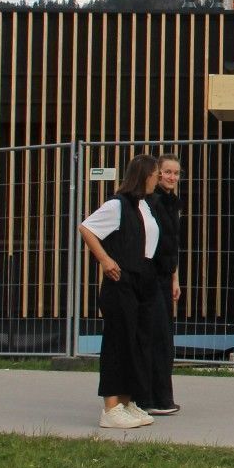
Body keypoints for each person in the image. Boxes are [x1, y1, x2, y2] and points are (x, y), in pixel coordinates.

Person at [79, 154, 161, 429]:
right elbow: (87, 228)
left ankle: (127, 402)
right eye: (156, 174)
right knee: (118, 341)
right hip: (122, 281)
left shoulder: (144, 205)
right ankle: (111, 408)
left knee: (137, 342)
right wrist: (105, 259)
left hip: (143, 280)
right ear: (144, 175)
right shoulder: (117, 204)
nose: (158, 179)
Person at [141, 153, 183, 416]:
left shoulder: (172, 203)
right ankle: (150, 398)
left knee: (165, 338)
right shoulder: (151, 201)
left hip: (166, 276)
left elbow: (172, 245)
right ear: (157, 174)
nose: (172, 177)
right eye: (167, 172)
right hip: (150, 275)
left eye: (176, 173)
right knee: (155, 336)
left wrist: (175, 278)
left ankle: (162, 396)